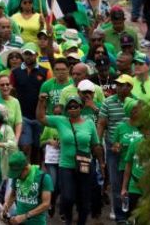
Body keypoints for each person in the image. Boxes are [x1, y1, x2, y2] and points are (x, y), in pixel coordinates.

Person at [36, 91, 103, 225]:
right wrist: (41, 102)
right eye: (70, 107)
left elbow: (96, 145)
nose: (73, 109)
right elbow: (41, 117)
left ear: (81, 107)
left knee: (84, 200)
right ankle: (68, 220)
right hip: (66, 165)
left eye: (76, 106)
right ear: (66, 110)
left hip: (85, 165)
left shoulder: (89, 123)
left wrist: (101, 163)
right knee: (67, 198)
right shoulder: (60, 121)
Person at [1, 151, 53, 225]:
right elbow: (13, 195)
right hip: (19, 222)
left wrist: (25, 216)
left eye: (18, 174)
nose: (17, 177)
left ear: (25, 168)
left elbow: (46, 204)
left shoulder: (44, 178)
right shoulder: (17, 177)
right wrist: (6, 206)